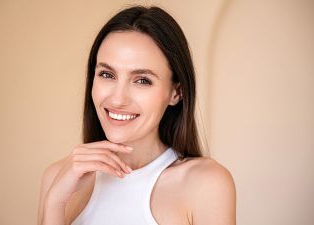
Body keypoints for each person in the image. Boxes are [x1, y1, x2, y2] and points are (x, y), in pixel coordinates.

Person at [37, 5, 236, 225]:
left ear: (176, 93)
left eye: (142, 80)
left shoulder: (206, 184)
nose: (117, 99)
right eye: (107, 74)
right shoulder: (57, 177)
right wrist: (55, 201)